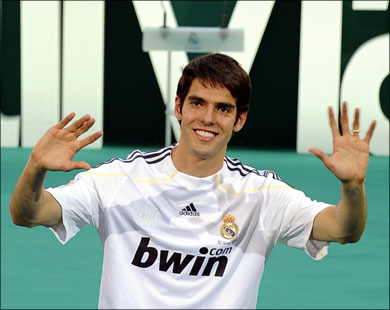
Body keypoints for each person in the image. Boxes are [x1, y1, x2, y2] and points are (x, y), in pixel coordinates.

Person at [10, 53, 376, 309]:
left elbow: (344, 229)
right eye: (198, 103)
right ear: (179, 106)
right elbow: (28, 213)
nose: (208, 118)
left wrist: (353, 187)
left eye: (223, 108)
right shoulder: (120, 179)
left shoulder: (262, 195)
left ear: (240, 119)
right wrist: (35, 167)